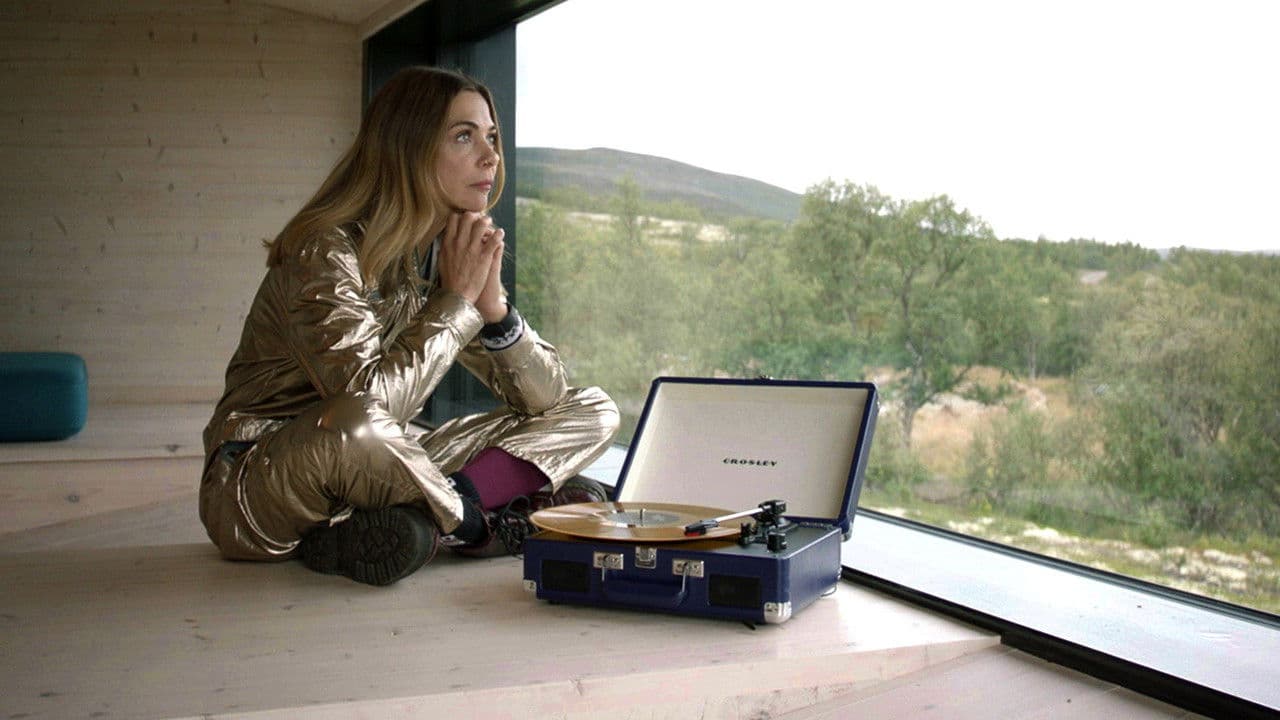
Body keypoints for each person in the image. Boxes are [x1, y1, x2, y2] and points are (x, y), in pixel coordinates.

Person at [199, 66, 620, 586]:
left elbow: (546, 401)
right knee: (359, 423)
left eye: (491, 137)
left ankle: (419, 516)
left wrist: (494, 312)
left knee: (594, 409)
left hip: (384, 465)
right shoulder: (324, 250)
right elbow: (366, 406)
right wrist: (456, 303)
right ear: (410, 148)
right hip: (260, 483)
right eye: (464, 136)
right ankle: (477, 523)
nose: (490, 156)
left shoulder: (430, 257)